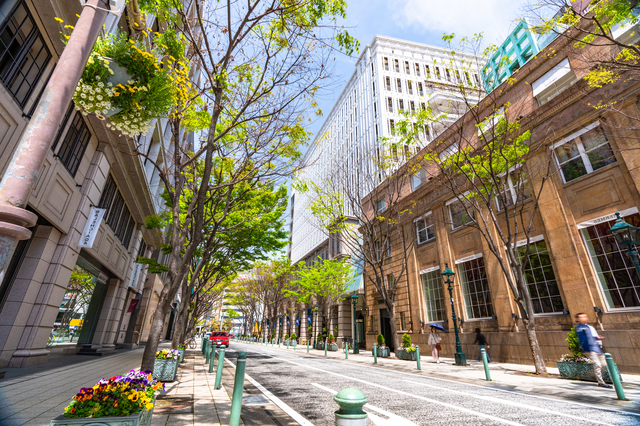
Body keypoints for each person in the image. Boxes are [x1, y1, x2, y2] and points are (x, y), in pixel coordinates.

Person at [575, 313, 612, 388]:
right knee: (598, 365)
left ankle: (592, 373)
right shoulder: (579, 328)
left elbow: (591, 337)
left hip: (597, 348)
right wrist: (585, 350)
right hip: (590, 349)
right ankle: (601, 382)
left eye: (585, 316)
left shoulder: (588, 327)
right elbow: (582, 340)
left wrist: (598, 338)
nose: (585, 318)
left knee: (604, 365)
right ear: (578, 319)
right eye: (582, 317)